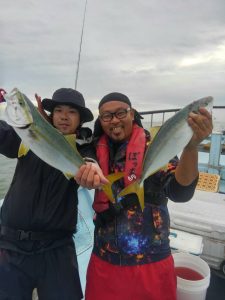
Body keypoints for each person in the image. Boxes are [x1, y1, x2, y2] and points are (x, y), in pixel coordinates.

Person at [75, 92, 213, 300]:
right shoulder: (93, 149)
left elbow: (180, 192)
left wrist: (191, 147)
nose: (114, 120)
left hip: (153, 263)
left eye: (121, 112)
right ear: (100, 121)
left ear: (133, 114)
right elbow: (63, 143)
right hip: (104, 262)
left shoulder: (155, 146)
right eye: (106, 116)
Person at [0, 88, 106, 300]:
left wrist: (92, 168)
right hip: (11, 244)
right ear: (50, 114)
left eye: (72, 112)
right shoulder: (26, 136)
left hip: (57, 247)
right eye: (59, 110)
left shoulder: (83, 147)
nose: (64, 116)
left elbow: (90, 160)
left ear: (80, 120)